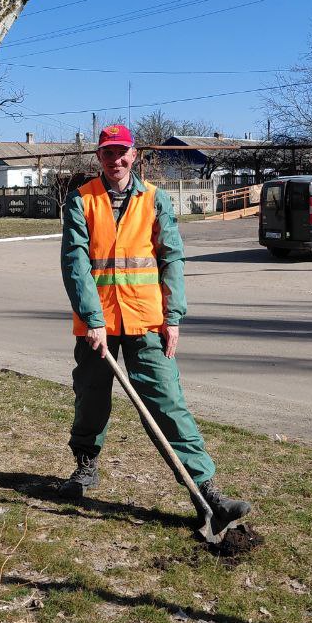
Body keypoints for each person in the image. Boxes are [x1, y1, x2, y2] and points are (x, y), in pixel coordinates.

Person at [59, 123, 251, 534]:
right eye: (109, 153)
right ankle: (84, 464)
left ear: (135, 155)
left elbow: (172, 260)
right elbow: (75, 265)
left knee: (167, 404)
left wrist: (173, 317)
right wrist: (93, 319)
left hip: (147, 321)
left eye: (123, 152)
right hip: (98, 327)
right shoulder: (81, 201)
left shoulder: (155, 200)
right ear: (99, 157)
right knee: (90, 398)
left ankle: (206, 492)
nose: (117, 160)